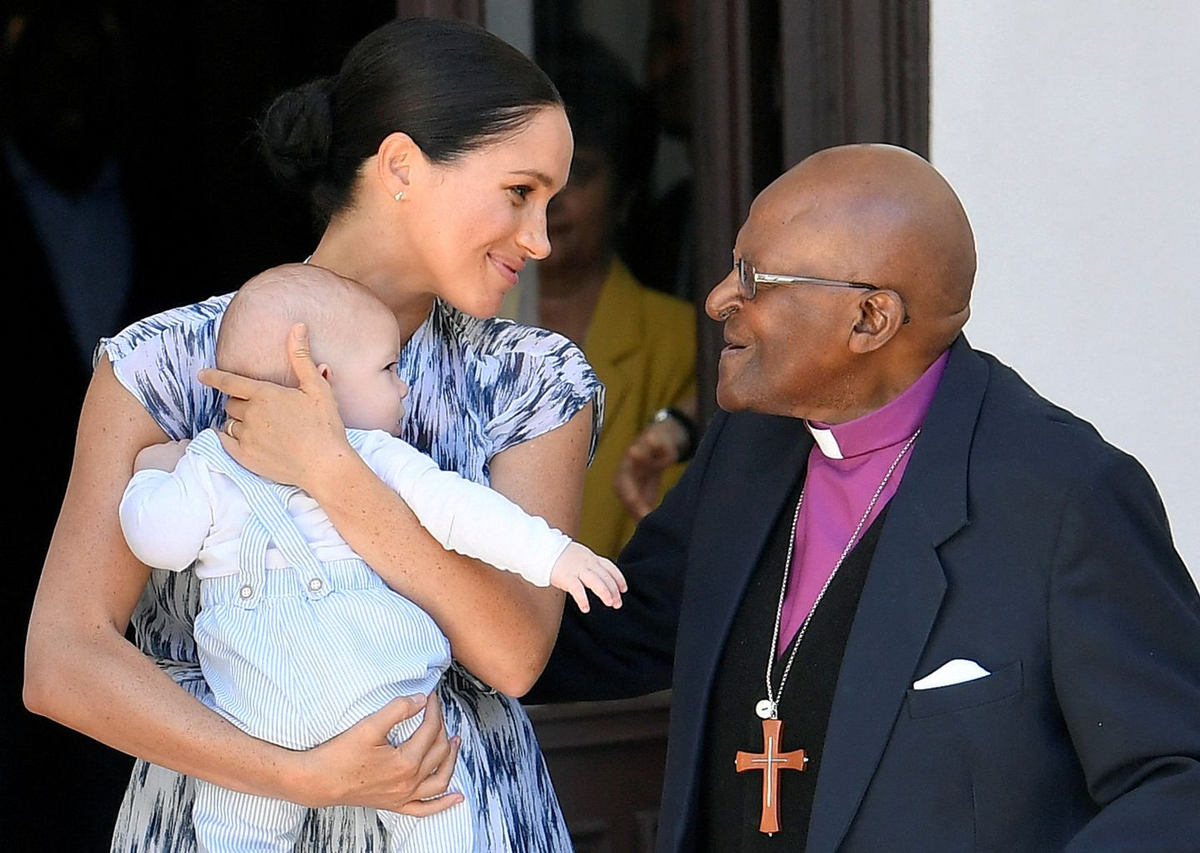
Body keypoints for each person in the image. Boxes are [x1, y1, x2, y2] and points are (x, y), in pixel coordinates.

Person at [25, 17, 597, 852]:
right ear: (400, 166)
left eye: (550, 201)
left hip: (456, 816)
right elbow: (62, 660)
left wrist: (335, 470)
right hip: (221, 821)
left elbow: (513, 653)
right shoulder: (165, 363)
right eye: (519, 192)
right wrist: (300, 775)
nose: (541, 239)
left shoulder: (536, 379)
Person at [529, 143, 1200, 851]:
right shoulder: (747, 449)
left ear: (870, 319)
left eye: (755, 278)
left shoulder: (1064, 492)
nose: (719, 297)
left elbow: (1177, 775)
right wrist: (421, 609)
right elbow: (622, 626)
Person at [119, 264, 624, 852]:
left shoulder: (248, 461)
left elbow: (465, 515)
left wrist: (149, 477)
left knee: (258, 826)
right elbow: (464, 515)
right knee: (434, 815)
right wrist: (555, 555)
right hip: (312, 708)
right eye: (388, 370)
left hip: (295, 703)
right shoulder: (223, 459)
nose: (404, 387)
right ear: (323, 380)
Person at [537, 33, 697, 558]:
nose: (549, 201)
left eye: (576, 175)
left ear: (625, 196)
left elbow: (662, 538)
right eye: (528, 178)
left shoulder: (683, 341)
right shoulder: (446, 323)